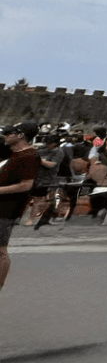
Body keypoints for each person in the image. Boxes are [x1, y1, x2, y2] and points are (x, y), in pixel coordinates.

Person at [0, 125, 45, 292]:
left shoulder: (30, 156)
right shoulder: (15, 154)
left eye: (8, 133)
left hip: (7, 209)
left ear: (20, 135)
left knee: (0, 249)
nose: (4, 135)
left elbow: (26, 185)